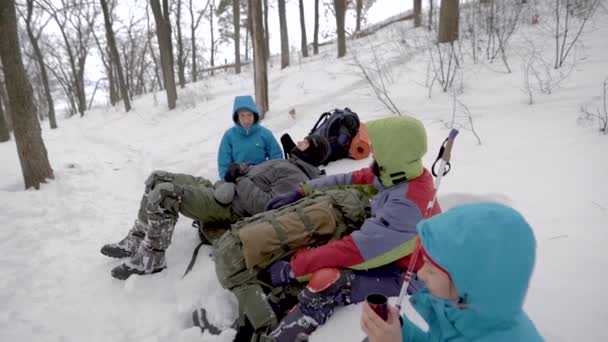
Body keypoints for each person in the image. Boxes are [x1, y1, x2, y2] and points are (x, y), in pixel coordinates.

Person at [261, 116, 441, 341]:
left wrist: (292, 269)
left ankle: (281, 337)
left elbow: (353, 250)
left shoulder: (407, 205)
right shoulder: (400, 174)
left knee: (328, 280)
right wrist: (303, 190)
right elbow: (351, 179)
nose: (373, 154)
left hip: (413, 278)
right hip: (391, 258)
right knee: (322, 250)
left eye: (378, 150)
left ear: (392, 154)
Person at [100, 134, 331, 280]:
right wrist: (242, 167)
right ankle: (137, 237)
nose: (300, 142)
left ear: (310, 152)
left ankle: (151, 258)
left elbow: (264, 205)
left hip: (229, 207)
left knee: (165, 193)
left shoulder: (296, 175)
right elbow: (258, 177)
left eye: (305, 142)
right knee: (157, 178)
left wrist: (240, 178)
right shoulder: (289, 164)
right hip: (222, 190)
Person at [360, 203, 543, 342]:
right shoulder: (471, 311)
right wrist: (402, 332)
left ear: (466, 283)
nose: (421, 274)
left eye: (432, 271)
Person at [218, 95, 283, 180]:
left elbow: (276, 156)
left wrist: (274, 175)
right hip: (239, 178)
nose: (246, 120)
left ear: (254, 115)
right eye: (242, 115)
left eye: (249, 115)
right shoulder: (229, 136)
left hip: (262, 175)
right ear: (237, 117)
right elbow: (223, 164)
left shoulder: (265, 134)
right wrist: (228, 178)